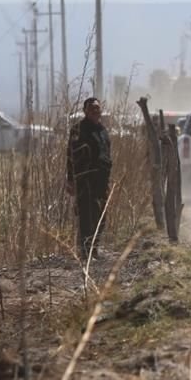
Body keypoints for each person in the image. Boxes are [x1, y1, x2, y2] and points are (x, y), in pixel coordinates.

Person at [66, 97, 112, 260]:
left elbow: (106, 154)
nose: (96, 111)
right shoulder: (79, 129)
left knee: (101, 216)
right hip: (85, 180)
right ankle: (85, 253)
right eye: (92, 108)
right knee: (86, 216)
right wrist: (71, 180)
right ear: (85, 111)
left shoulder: (102, 130)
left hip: (101, 181)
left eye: (98, 108)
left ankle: (95, 249)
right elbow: (71, 156)